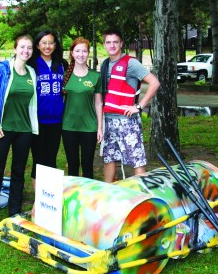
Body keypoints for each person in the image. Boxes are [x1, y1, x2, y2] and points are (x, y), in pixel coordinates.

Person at [0, 34, 38, 233]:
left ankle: (14, 213)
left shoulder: (31, 72)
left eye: (29, 48)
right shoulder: (3, 69)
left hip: (24, 130)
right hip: (2, 130)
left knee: (19, 173)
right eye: (22, 47)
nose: (26, 51)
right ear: (15, 48)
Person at [101, 28, 160, 183]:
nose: (112, 45)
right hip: (109, 120)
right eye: (108, 42)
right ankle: (108, 193)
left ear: (121, 43)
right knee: (109, 158)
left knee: (136, 159)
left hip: (127, 121)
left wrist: (139, 106)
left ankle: (143, 195)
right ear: (104, 45)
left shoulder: (131, 63)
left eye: (115, 42)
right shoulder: (105, 64)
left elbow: (154, 83)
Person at [28, 30, 68, 188]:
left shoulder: (62, 65)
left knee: (51, 159)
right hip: (37, 120)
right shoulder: (31, 64)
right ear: (37, 45)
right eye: (43, 43)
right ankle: (38, 201)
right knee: (39, 160)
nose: (47, 46)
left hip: (56, 120)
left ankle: (50, 197)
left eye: (50, 42)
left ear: (55, 45)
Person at [62, 37, 103, 179]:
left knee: (87, 165)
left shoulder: (95, 76)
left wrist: (99, 127)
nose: (81, 54)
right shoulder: (64, 76)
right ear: (72, 53)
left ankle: (88, 199)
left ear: (88, 53)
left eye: (84, 51)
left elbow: (98, 103)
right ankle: (72, 197)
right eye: (77, 51)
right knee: (72, 165)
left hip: (89, 127)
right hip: (68, 126)